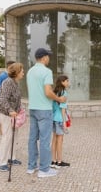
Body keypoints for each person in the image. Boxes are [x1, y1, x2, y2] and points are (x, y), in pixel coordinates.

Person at [26, 48, 66, 178]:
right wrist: (59, 99)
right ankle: (44, 169)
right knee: (44, 139)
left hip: (33, 108)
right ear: (43, 57)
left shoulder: (30, 71)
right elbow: (48, 92)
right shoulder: (47, 71)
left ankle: (31, 167)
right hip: (44, 110)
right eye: (48, 56)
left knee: (32, 138)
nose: (49, 58)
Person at [0, 63, 24, 172]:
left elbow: (16, 99)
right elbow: (2, 99)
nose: (23, 73)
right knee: (7, 137)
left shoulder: (15, 82)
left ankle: (11, 157)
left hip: (14, 114)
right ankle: (0, 162)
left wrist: (20, 108)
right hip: (6, 114)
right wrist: (10, 110)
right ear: (16, 72)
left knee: (14, 136)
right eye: (22, 71)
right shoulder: (7, 82)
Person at [51, 75, 70, 169]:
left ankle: (53, 161)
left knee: (54, 139)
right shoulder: (64, 93)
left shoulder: (55, 92)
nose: (68, 83)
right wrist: (64, 123)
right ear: (62, 82)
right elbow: (63, 109)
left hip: (53, 118)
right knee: (60, 140)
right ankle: (59, 161)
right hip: (59, 119)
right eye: (67, 81)